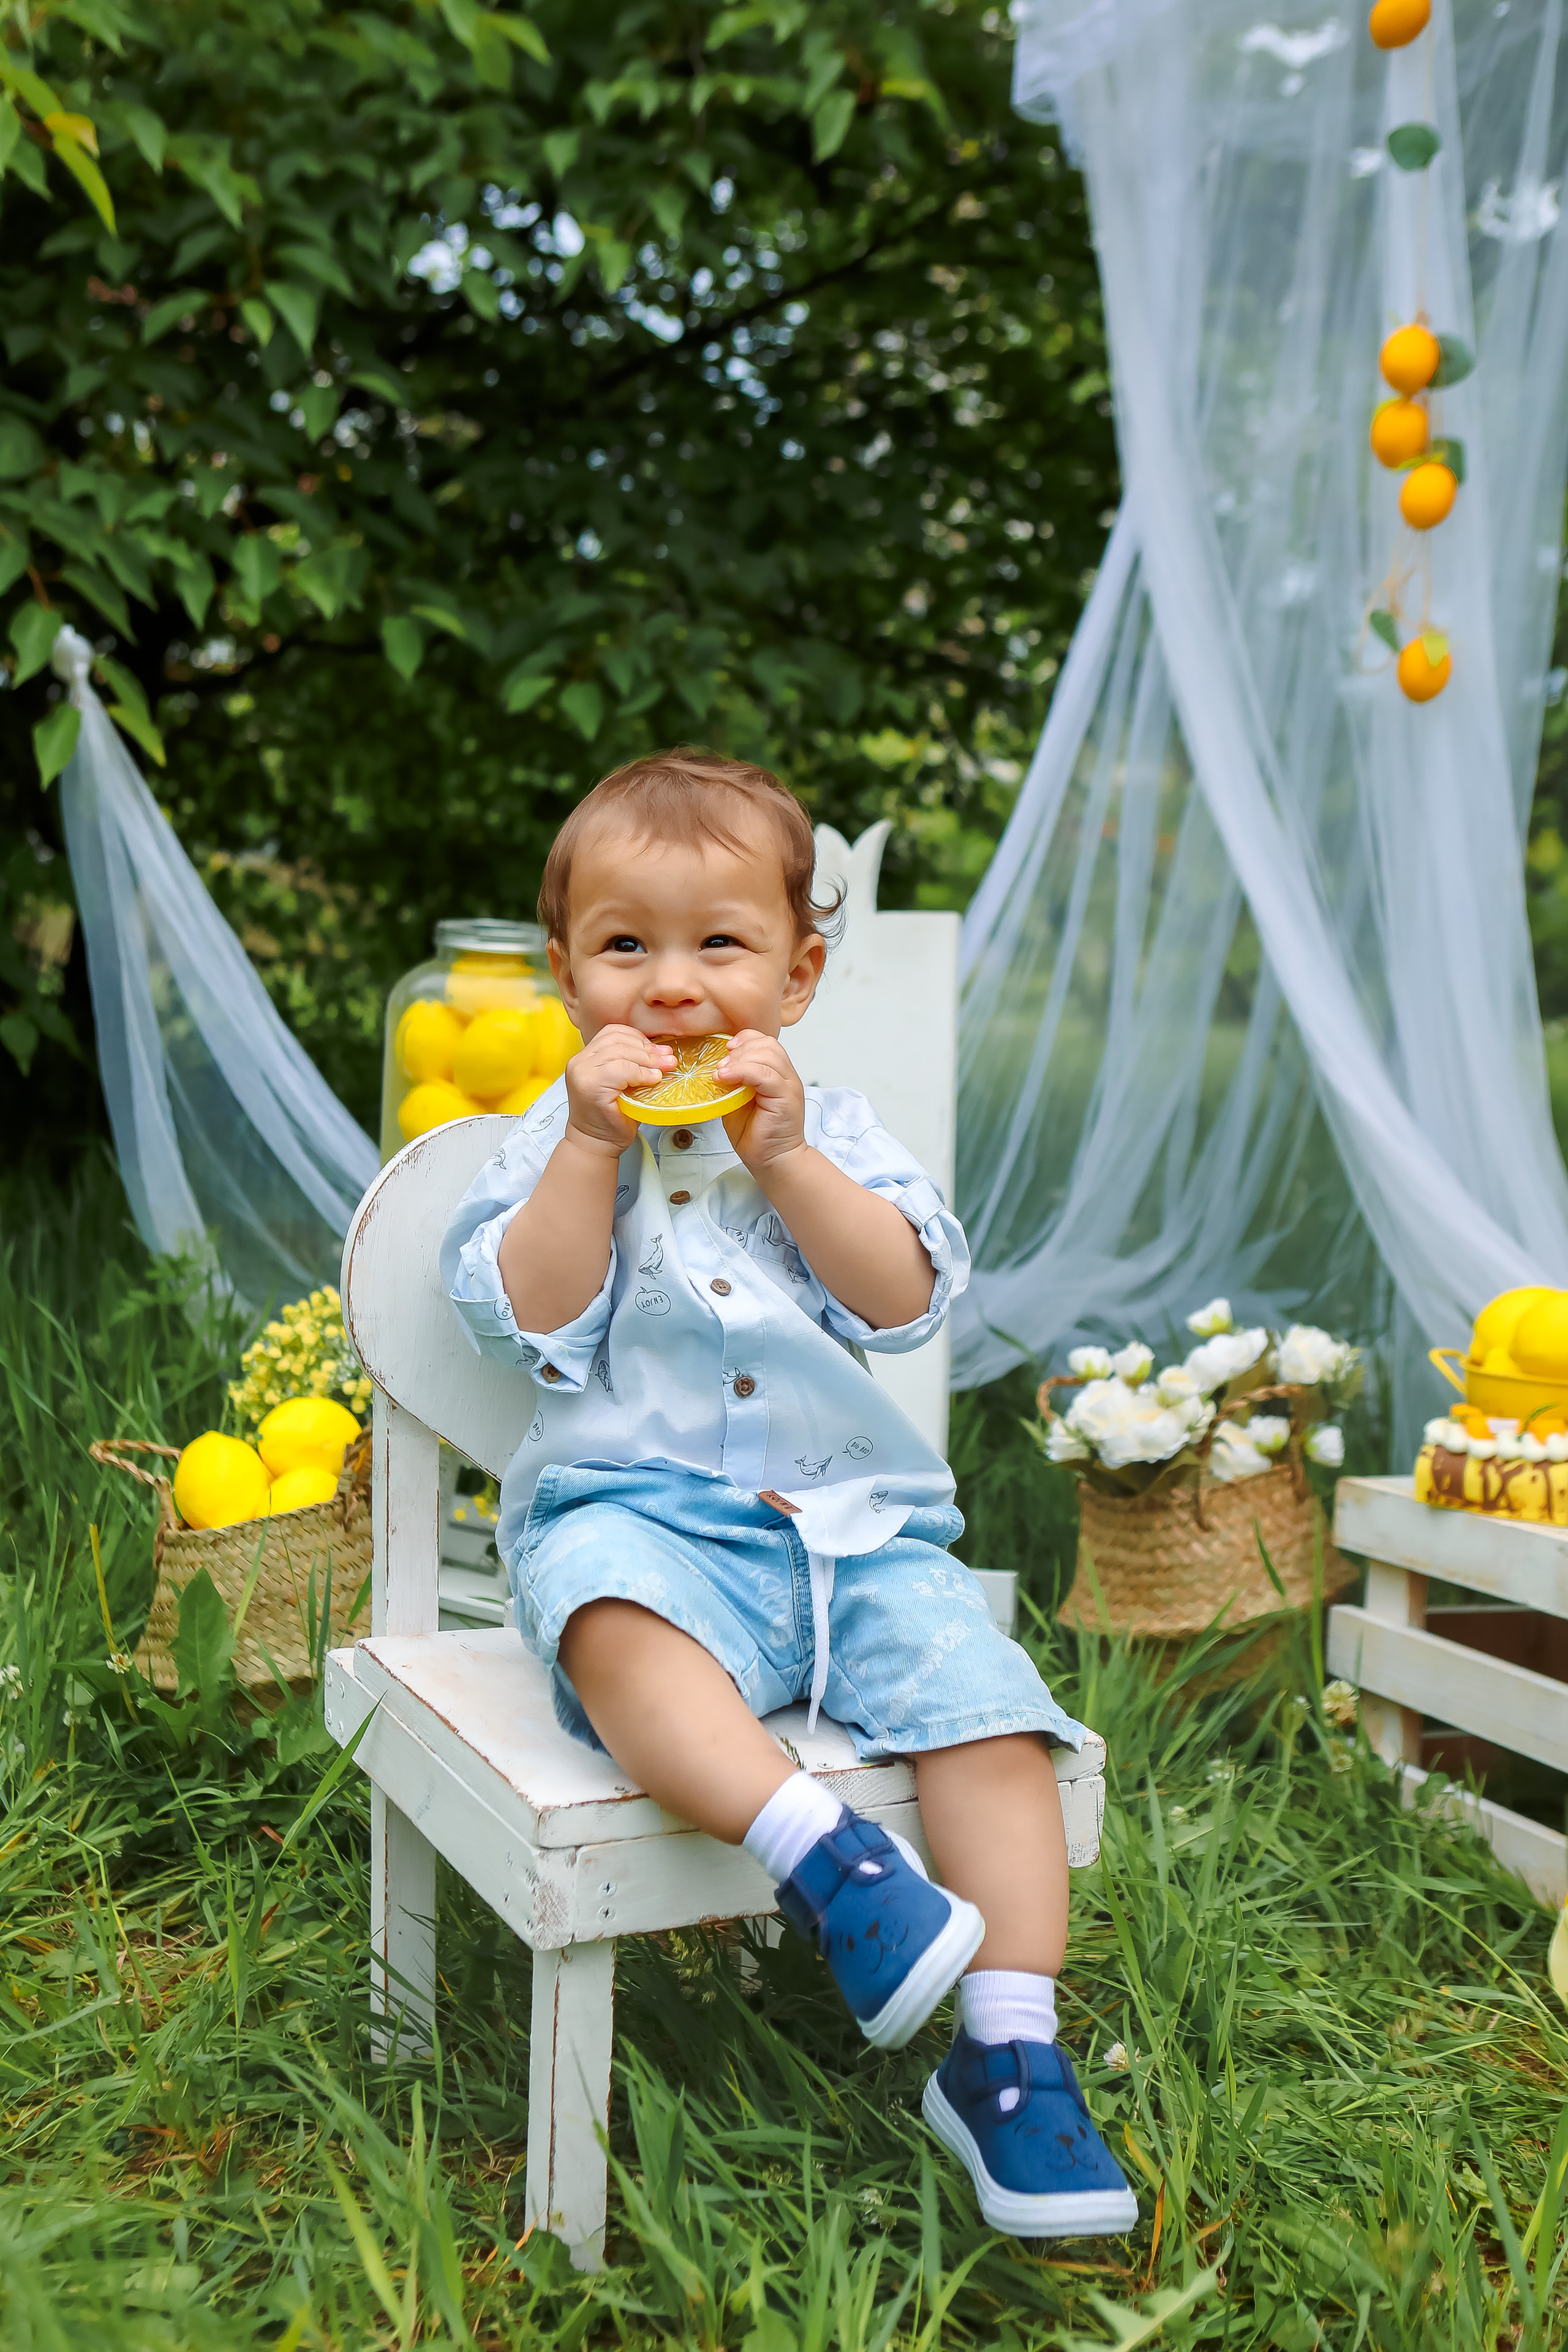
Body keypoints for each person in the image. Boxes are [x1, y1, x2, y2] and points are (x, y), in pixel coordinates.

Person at [440, 748, 1136, 2238]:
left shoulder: (832, 1137)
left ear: (798, 974)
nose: (673, 989)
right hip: (638, 1521)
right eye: (626, 948)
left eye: (720, 946)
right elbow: (530, 1315)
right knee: (612, 1626)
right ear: (567, 979)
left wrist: (791, 1156)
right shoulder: (544, 1148)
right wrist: (579, 1146)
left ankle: (1009, 2053)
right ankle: (829, 1865)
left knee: (989, 1713)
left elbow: (898, 1301)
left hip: (851, 1530)